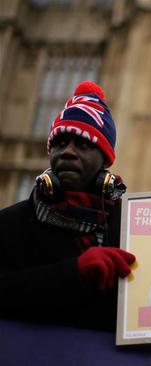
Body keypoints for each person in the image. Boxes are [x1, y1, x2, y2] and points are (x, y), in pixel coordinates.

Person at [0, 81, 136, 330]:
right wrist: (74, 272)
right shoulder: (9, 223)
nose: (68, 152)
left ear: (105, 160)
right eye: (60, 144)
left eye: (83, 144)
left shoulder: (133, 227)